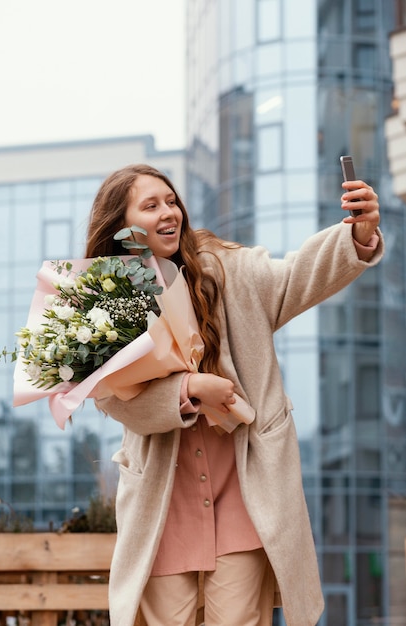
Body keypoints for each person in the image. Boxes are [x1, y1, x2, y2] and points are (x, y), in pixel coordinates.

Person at [85, 163, 383, 626]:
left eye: (171, 201)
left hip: (244, 495)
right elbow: (113, 399)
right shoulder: (105, 302)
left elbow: (295, 277)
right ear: (121, 226)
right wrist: (187, 390)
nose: (169, 212)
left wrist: (357, 236)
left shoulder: (226, 269)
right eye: (151, 205)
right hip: (162, 506)